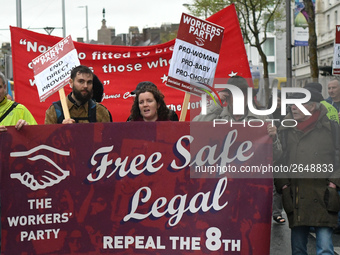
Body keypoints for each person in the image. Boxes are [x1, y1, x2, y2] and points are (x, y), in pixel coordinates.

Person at [275, 86, 340, 255]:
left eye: (298, 104)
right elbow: (279, 160)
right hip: (296, 195)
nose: (293, 107)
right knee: (298, 250)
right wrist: (284, 185)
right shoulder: (285, 129)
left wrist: (334, 182)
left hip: (324, 195)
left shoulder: (331, 128)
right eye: (292, 104)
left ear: (312, 106)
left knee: (325, 249)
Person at [44, 65, 112, 124]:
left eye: (89, 82)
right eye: (81, 81)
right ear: (71, 82)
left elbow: (109, 138)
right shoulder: (54, 111)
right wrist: (60, 129)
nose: (85, 86)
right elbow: (46, 138)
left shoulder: (100, 111)